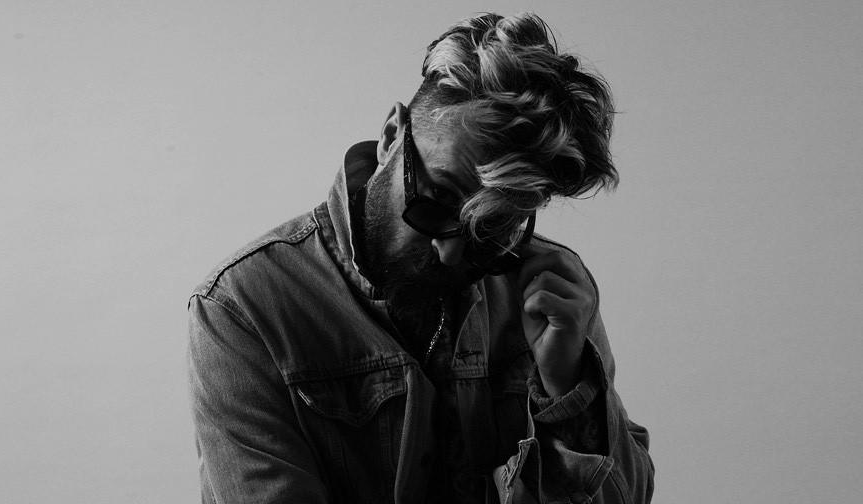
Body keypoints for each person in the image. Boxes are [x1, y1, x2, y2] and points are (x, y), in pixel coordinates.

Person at [187, 12, 654, 504]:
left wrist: (567, 388)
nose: (452, 252)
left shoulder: (552, 294)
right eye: (438, 198)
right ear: (393, 135)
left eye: (492, 227)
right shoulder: (245, 306)